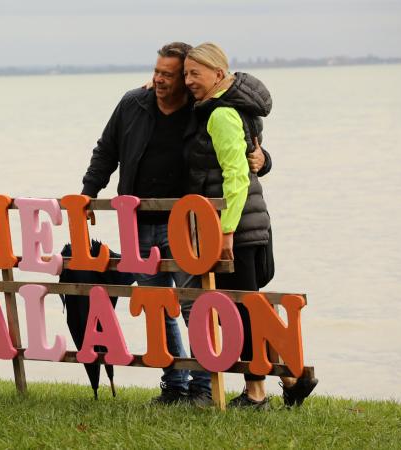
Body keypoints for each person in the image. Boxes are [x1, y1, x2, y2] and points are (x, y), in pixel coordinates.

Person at [81, 42, 271, 407]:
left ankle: (201, 387)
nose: (160, 79)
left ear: (188, 80)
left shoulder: (203, 111)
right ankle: (174, 383)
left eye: (170, 74)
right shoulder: (132, 104)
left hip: (185, 225)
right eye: (158, 72)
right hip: (136, 221)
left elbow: (243, 150)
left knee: (194, 306)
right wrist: (88, 192)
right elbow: (106, 150)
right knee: (157, 306)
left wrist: (264, 159)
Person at [183, 42, 318, 409]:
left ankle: (258, 391)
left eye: (196, 73)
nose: (189, 80)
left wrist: (226, 230)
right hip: (249, 224)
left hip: (237, 229)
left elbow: (236, 175)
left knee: (241, 311)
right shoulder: (228, 107)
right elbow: (251, 156)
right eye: (185, 74)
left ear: (218, 73)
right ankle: (292, 377)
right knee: (250, 308)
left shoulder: (220, 114)